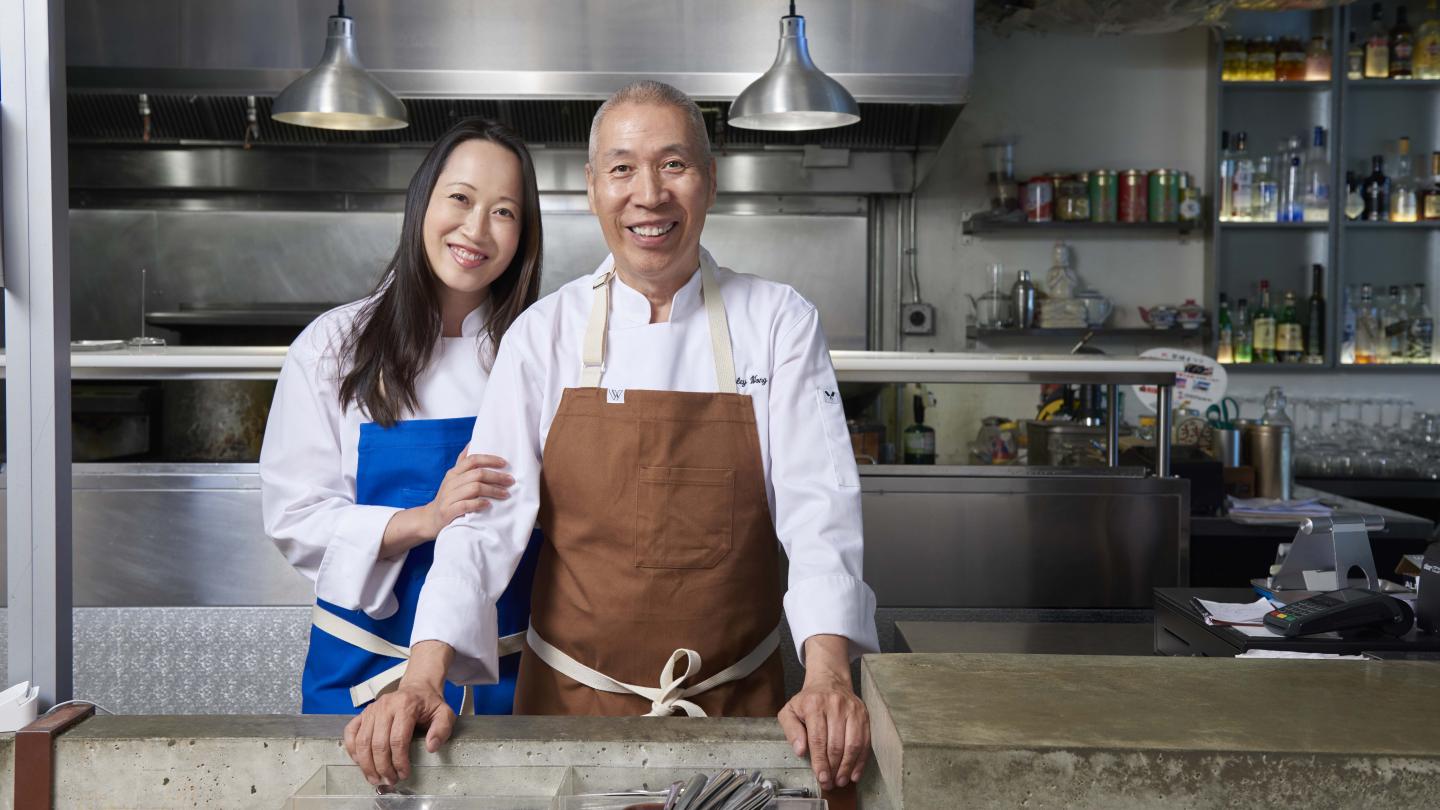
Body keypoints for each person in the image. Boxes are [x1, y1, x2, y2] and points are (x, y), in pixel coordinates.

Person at [346, 82, 879, 793]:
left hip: (738, 714)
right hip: (567, 719)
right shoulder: (545, 334)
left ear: (710, 182)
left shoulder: (780, 322)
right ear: (593, 188)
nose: (648, 194)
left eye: (674, 165)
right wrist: (423, 674)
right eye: (622, 168)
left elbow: (819, 508)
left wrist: (827, 676)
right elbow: (486, 522)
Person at [260, 118, 544, 717]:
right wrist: (425, 519)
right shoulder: (334, 346)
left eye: (503, 212)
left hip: (506, 677)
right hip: (363, 671)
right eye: (460, 199)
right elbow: (295, 518)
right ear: (422, 203)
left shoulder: (538, 350)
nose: (475, 229)